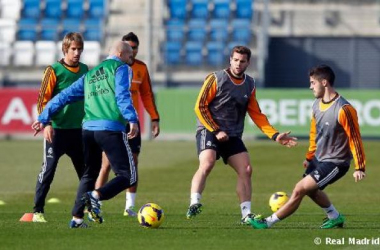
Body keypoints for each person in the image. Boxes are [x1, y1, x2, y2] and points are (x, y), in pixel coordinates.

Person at [32, 41, 139, 228]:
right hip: (110, 128)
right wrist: (132, 118)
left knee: (89, 174)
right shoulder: (121, 68)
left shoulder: (90, 74)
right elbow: (122, 95)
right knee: (127, 175)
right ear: (121, 53)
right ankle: (95, 196)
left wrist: (43, 117)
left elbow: (64, 96)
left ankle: (77, 219)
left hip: (88, 130)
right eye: (130, 56)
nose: (132, 60)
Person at [186, 45, 298, 224]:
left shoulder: (249, 84)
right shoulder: (215, 78)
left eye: (242, 61)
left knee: (246, 169)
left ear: (248, 63)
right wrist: (216, 130)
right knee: (207, 163)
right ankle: (194, 203)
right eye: (235, 60)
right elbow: (200, 107)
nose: (238, 64)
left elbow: (256, 114)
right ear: (230, 59)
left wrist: (275, 135)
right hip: (209, 130)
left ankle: (246, 214)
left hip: (232, 134)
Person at [249, 64, 366, 229]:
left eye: (313, 83)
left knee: (299, 189)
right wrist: (309, 157)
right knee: (311, 190)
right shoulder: (316, 105)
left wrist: (359, 167)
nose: (310, 86)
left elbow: (355, 138)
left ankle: (267, 222)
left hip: (336, 162)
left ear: (324, 82)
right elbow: (314, 134)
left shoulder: (344, 109)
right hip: (319, 158)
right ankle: (335, 216)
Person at [94, 32, 160, 217]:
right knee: (106, 164)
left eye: (136, 48)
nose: (133, 51)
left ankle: (129, 206)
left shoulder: (141, 68)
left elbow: (146, 94)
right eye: (130, 47)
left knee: (134, 163)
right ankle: (95, 204)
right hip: (114, 121)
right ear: (122, 49)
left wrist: (154, 118)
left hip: (132, 123)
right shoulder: (110, 68)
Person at [32, 32, 88, 223]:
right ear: (65, 49)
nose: (77, 52)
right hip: (56, 131)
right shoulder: (53, 70)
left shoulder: (85, 70)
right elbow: (42, 101)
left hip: (78, 131)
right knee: (48, 171)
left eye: (80, 49)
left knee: (86, 172)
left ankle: (85, 209)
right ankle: (38, 211)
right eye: (73, 49)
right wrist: (46, 124)